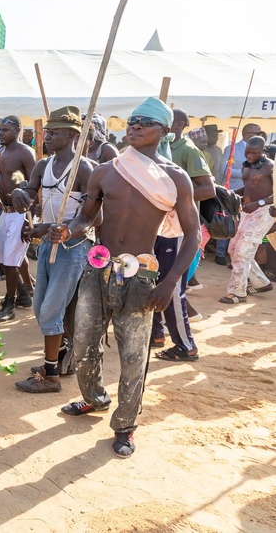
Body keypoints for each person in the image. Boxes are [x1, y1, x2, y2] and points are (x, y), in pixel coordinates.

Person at [48, 97, 199, 458]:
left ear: (164, 130)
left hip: (142, 276)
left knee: (133, 355)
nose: (134, 126)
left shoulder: (174, 178)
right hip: (98, 269)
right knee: (83, 345)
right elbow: (87, 219)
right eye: (132, 121)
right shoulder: (106, 171)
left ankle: (127, 424)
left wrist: (168, 283)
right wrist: (69, 231)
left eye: (145, 122)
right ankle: (94, 398)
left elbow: (192, 235)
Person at [11, 106, 96, 393]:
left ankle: (50, 376)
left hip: (73, 249)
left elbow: (92, 217)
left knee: (51, 311)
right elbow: (27, 192)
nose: (47, 136)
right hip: (49, 245)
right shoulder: (42, 166)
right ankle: (58, 360)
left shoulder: (83, 169)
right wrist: (19, 194)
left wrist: (63, 229)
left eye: (54, 132)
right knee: (41, 307)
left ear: (73, 135)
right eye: (47, 131)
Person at [149, 109, 215, 361]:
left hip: (177, 227)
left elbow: (207, 189)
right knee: (150, 279)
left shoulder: (187, 150)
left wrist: (172, 199)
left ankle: (186, 346)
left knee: (173, 287)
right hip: (155, 226)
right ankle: (156, 334)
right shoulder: (150, 152)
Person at [0, 115, 36, 322]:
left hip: (22, 212)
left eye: (5, 130)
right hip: (5, 211)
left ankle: (10, 303)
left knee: (10, 260)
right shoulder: (0, 152)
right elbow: (2, 180)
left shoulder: (25, 152)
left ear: (17, 130)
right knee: (7, 255)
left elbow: (37, 183)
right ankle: (25, 292)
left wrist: (30, 217)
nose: (1, 133)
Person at [220, 137, 274, 304]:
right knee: (234, 248)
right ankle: (261, 282)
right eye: (247, 152)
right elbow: (250, 187)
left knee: (242, 252)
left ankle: (237, 292)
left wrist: (260, 203)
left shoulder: (271, 167)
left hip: (265, 211)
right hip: (247, 210)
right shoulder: (247, 165)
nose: (250, 156)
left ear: (263, 151)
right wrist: (232, 194)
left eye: (254, 153)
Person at [216, 123, 262, 265]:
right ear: (247, 133)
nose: (259, 135)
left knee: (242, 225)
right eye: (257, 132)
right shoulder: (232, 149)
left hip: (252, 195)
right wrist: (245, 174)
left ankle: (235, 255)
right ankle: (220, 254)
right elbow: (225, 168)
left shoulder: (260, 151)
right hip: (234, 190)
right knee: (227, 221)